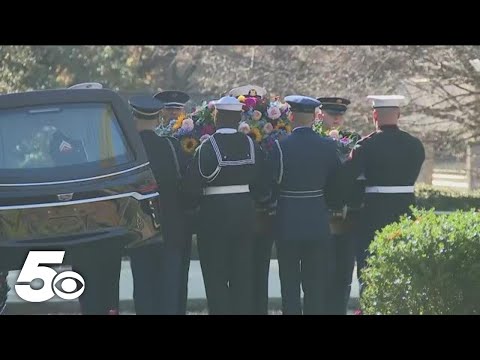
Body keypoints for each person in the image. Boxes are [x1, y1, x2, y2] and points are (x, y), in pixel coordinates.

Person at [182, 96, 270, 315]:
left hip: (213, 217)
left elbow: (191, 188)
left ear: (216, 117)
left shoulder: (206, 147)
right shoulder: (252, 144)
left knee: (216, 278)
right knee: (242, 276)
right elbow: (263, 184)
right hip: (244, 216)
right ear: (239, 118)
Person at [337, 95, 425, 308]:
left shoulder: (366, 146)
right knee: (404, 266)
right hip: (406, 212)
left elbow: (346, 179)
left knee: (369, 267)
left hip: (373, 215)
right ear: (399, 115)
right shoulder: (414, 145)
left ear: (374, 115)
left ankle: (371, 308)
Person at [268, 95, 340, 315]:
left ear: (291, 116)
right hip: (317, 220)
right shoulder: (328, 146)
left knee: (289, 283)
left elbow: (273, 182)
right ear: (315, 118)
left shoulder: (281, 146)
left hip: (288, 220)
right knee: (315, 284)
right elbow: (336, 183)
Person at [127, 94, 190, 315]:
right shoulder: (171, 147)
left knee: (144, 290)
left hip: (139, 229)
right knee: (169, 292)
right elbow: (183, 185)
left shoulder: (127, 151)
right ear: (157, 118)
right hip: (170, 228)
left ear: (133, 117)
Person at [317, 97, 362, 315]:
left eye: (340, 114)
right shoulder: (314, 140)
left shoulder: (353, 140)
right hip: (319, 217)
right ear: (319, 114)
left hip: (345, 219)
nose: (336, 118)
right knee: (320, 276)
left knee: (343, 274)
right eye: (331, 113)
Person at [153, 89, 192, 314]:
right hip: (160, 210)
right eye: (169, 109)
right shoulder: (156, 136)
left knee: (180, 272)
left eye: (177, 110)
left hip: (182, 213)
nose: (172, 114)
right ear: (161, 112)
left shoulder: (189, 136)